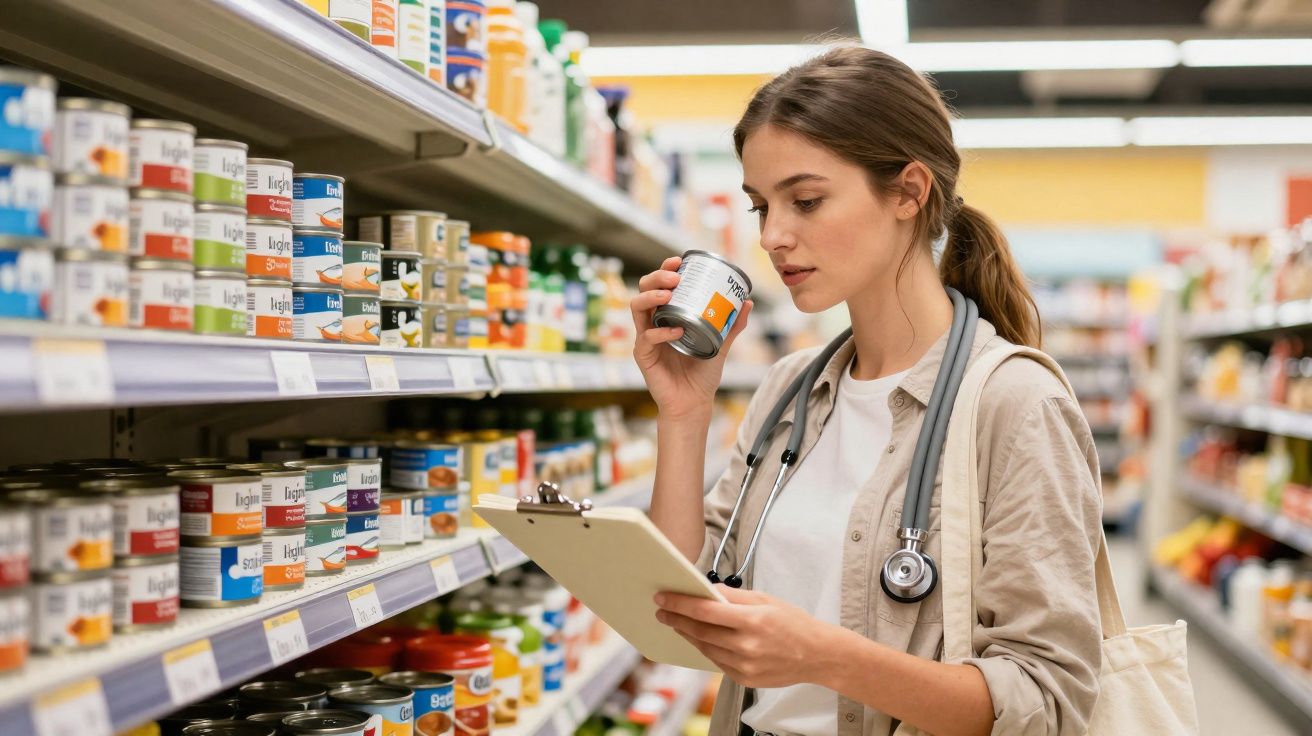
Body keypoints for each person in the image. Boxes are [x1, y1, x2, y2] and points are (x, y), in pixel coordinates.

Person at [631, 46, 1102, 736]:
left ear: (909, 192)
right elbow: (681, 601)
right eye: (761, 206)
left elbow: (1046, 700)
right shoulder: (790, 392)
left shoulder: (1016, 404)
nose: (772, 236)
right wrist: (683, 411)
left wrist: (823, 657)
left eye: (807, 200)